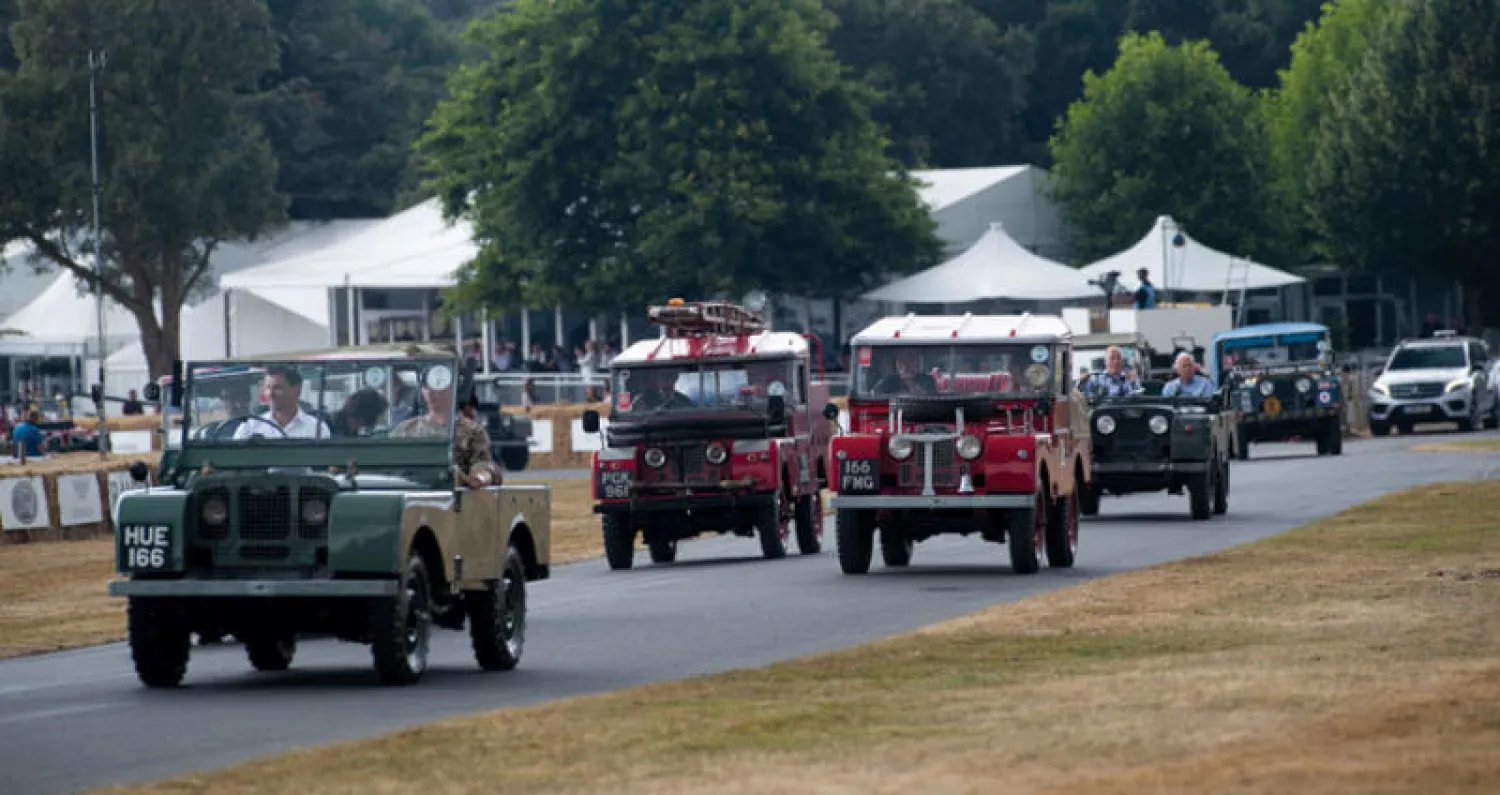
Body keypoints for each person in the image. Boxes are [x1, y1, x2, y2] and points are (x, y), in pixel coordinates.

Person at [391, 383, 502, 489]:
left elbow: (482, 465)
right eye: (426, 388)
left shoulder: (472, 431)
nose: (431, 393)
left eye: (436, 387)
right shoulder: (406, 430)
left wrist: (478, 478)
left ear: (451, 389)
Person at [232, 366, 330, 439]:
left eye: (277, 388)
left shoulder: (317, 429)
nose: (270, 394)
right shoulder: (249, 427)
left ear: (297, 390)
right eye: (267, 388)